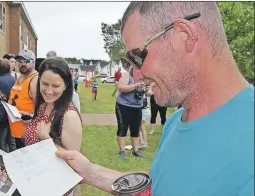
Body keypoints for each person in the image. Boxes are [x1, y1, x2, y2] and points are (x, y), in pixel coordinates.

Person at [55, 2, 254, 195]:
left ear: (184, 36)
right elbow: (161, 184)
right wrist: (90, 172)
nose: (137, 73)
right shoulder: (177, 120)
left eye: (136, 57)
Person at [24, 58, 82, 196]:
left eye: (55, 86)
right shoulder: (43, 106)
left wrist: (45, 138)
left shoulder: (69, 115)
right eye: (44, 84)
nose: (49, 91)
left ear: (66, 85)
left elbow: (74, 160)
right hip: (35, 178)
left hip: (55, 186)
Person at [8, 49, 38, 149]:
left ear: (33, 62)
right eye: (20, 62)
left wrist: (33, 119)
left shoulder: (35, 79)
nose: (22, 64)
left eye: (26, 61)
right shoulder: (21, 77)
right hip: (17, 130)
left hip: (27, 132)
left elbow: (40, 105)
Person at [115, 66, 145, 159]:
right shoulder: (127, 75)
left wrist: (147, 90)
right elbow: (121, 88)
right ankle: (122, 151)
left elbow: (146, 92)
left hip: (137, 107)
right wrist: (135, 86)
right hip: (123, 106)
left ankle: (135, 151)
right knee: (122, 128)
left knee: (135, 129)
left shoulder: (144, 77)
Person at [0, 59, 17, 152]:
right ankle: (14, 156)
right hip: (13, 112)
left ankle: (3, 157)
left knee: (1, 140)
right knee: (12, 139)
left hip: (1, 113)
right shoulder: (15, 80)